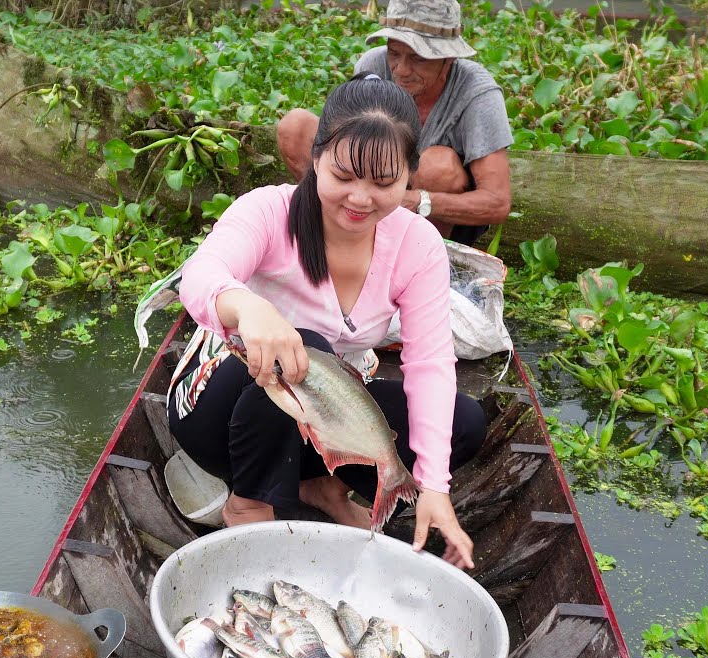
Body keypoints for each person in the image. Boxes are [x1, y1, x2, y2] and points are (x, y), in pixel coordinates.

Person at [165, 74, 488, 570]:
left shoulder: (417, 244)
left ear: (409, 177)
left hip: (318, 413)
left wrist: (434, 486)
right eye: (344, 176)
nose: (360, 199)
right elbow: (202, 274)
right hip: (216, 411)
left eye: (383, 183)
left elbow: (429, 366)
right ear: (316, 159)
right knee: (307, 348)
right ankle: (249, 502)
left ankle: (320, 485)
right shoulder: (270, 210)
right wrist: (250, 308)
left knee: (463, 422)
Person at [276, 0, 513, 246]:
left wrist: (415, 200)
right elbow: (348, 142)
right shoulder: (373, 67)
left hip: (434, 214)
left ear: (449, 57)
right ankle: (329, 232)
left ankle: (424, 255)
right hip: (373, 183)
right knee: (296, 128)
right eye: (394, 53)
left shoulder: (477, 93)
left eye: (417, 58)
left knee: (434, 165)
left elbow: (497, 202)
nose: (401, 70)